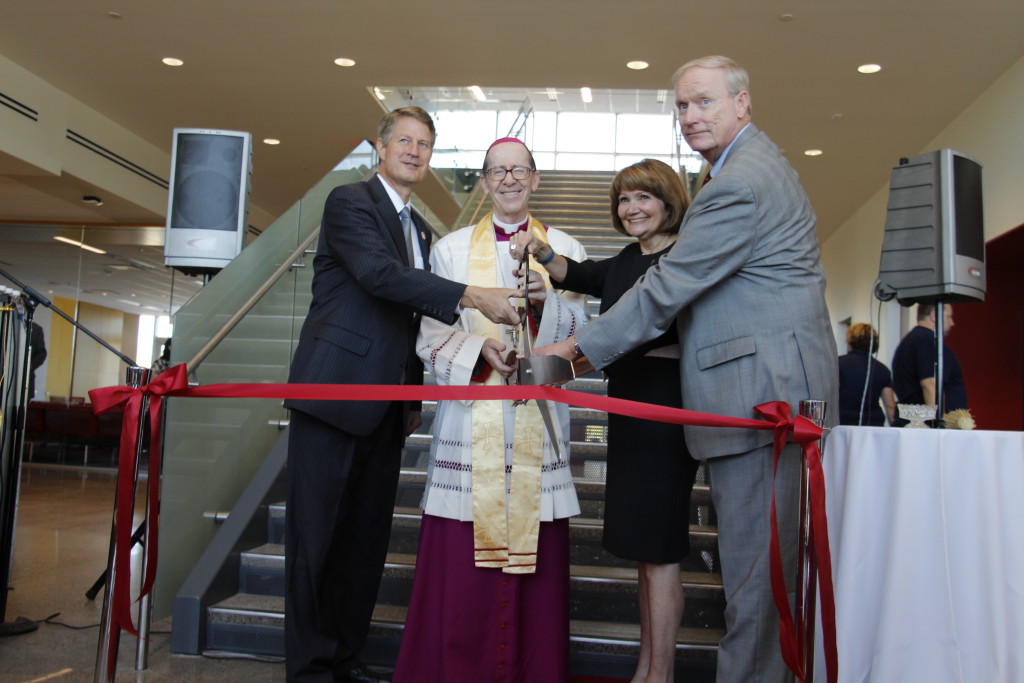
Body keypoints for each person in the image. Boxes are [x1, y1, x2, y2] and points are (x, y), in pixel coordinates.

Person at [533, 56, 839, 683]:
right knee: (758, 576)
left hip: (764, 395)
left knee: (758, 583)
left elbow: (667, 287)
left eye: (703, 102)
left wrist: (571, 353)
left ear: (742, 103)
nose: (690, 116)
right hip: (755, 391)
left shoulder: (739, 182)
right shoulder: (731, 173)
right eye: (681, 106)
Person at [283, 107, 522, 683]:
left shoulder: (418, 228)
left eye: (425, 144)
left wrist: (414, 395)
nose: (415, 151)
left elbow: (407, 319)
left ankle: (345, 657)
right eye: (405, 141)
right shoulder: (350, 202)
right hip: (334, 395)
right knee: (316, 539)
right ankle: (310, 668)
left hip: (387, 407)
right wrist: (471, 293)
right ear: (382, 149)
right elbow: (377, 276)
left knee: (364, 542)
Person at [392, 137, 588, 682]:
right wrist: (482, 351)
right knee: (462, 569)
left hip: (538, 420)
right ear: (483, 182)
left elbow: (588, 338)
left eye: (518, 170)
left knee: (536, 570)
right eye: (497, 172)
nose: (508, 180)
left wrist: (548, 307)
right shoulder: (451, 249)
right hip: (470, 418)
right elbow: (429, 336)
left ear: (535, 178)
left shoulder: (566, 247)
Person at [512, 158, 699, 683]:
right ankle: (645, 667)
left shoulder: (683, 257)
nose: (632, 208)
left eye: (643, 197)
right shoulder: (624, 259)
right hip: (630, 410)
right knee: (644, 549)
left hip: (663, 410)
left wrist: (566, 358)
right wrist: (541, 248)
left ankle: (658, 674)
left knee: (660, 551)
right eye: (623, 199)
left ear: (667, 201)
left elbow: (644, 328)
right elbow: (580, 274)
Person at [891, 303, 967, 421]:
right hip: (926, 428)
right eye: (949, 317)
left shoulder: (910, 341)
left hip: (913, 421)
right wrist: (937, 426)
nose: (952, 323)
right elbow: (930, 384)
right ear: (934, 316)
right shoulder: (927, 340)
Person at [837, 323, 897, 426]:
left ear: (849, 341)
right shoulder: (882, 369)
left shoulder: (838, 364)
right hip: (873, 425)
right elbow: (889, 406)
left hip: (843, 423)